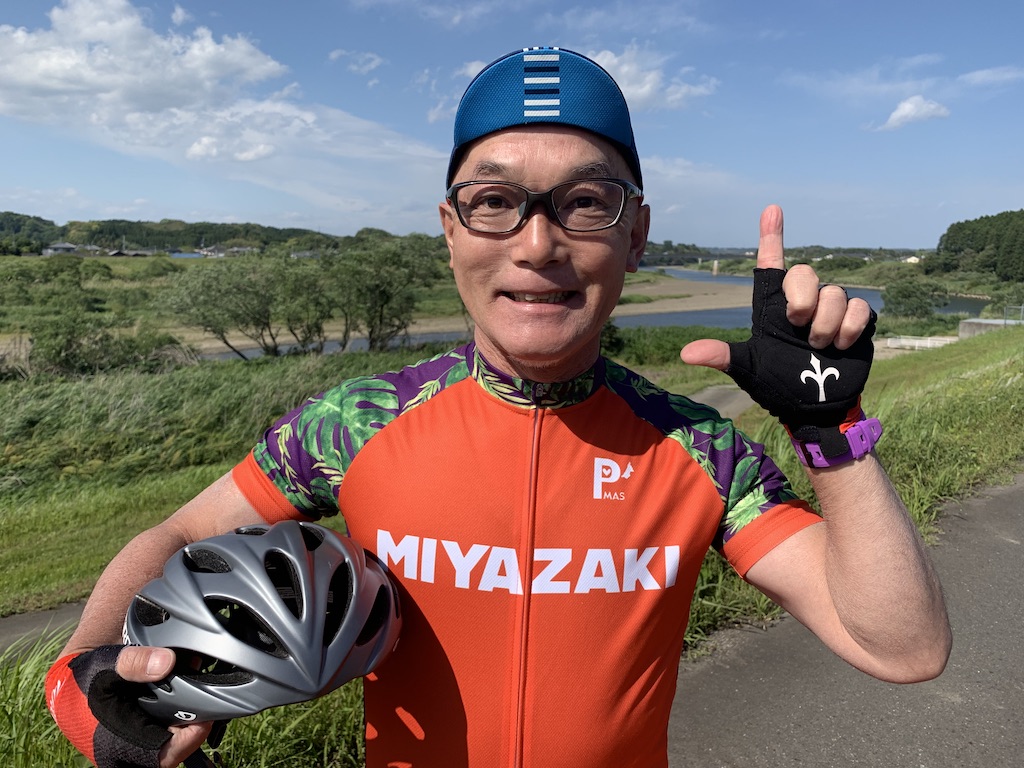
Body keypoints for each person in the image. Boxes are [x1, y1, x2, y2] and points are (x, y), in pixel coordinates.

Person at [46, 46, 951, 768]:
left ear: (637, 235)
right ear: (451, 231)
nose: (538, 243)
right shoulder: (358, 422)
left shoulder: (699, 450)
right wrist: (85, 670)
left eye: (586, 203)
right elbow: (178, 534)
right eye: (494, 202)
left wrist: (831, 430)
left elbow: (901, 647)